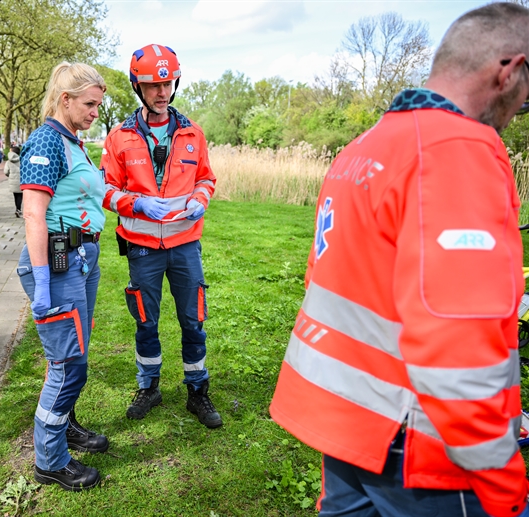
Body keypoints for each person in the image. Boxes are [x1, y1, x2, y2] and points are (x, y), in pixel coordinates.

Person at [269, 4, 529, 517]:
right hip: (421, 442)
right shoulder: (458, 150)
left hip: (349, 419)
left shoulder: (368, 143)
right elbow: (456, 340)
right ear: (509, 71)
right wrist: (502, 483)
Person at [101, 44, 221, 429]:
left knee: (193, 320)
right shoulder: (119, 137)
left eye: (168, 83)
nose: (162, 92)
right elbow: (105, 190)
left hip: (186, 245)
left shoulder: (192, 133)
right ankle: (148, 386)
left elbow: (205, 178)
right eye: (153, 85)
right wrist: (137, 205)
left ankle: (197, 391)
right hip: (142, 249)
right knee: (146, 322)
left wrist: (201, 199)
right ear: (138, 86)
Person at [16, 62, 107, 491]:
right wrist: (42, 281)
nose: (95, 112)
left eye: (99, 105)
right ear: (64, 100)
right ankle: (50, 460)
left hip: (78, 260)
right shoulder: (45, 142)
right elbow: (33, 213)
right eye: (90, 104)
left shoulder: (72, 141)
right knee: (68, 367)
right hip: (57, 264)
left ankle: (65, 427)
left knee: (76, 358)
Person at [4, 144, 22, 217]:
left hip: (13, 181)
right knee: (20, 195)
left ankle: (17, 208)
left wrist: (10, 175)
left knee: (16, 195)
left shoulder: (8, 162)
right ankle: (19, 209)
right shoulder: (22, 159)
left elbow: (6, 172)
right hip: (21, 180)